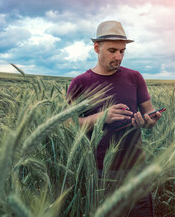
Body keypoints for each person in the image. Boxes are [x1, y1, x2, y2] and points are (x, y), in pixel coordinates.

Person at [66, 20, 162, 216]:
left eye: (122, 51)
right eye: (112, 50)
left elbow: (149, 114)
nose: (118, 57)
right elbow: (66, 125)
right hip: (99, 172)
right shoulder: (80, 83)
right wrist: (102, 117)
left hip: (136, 169)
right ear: (96, 48)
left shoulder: (134, 77)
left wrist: (148, 121)